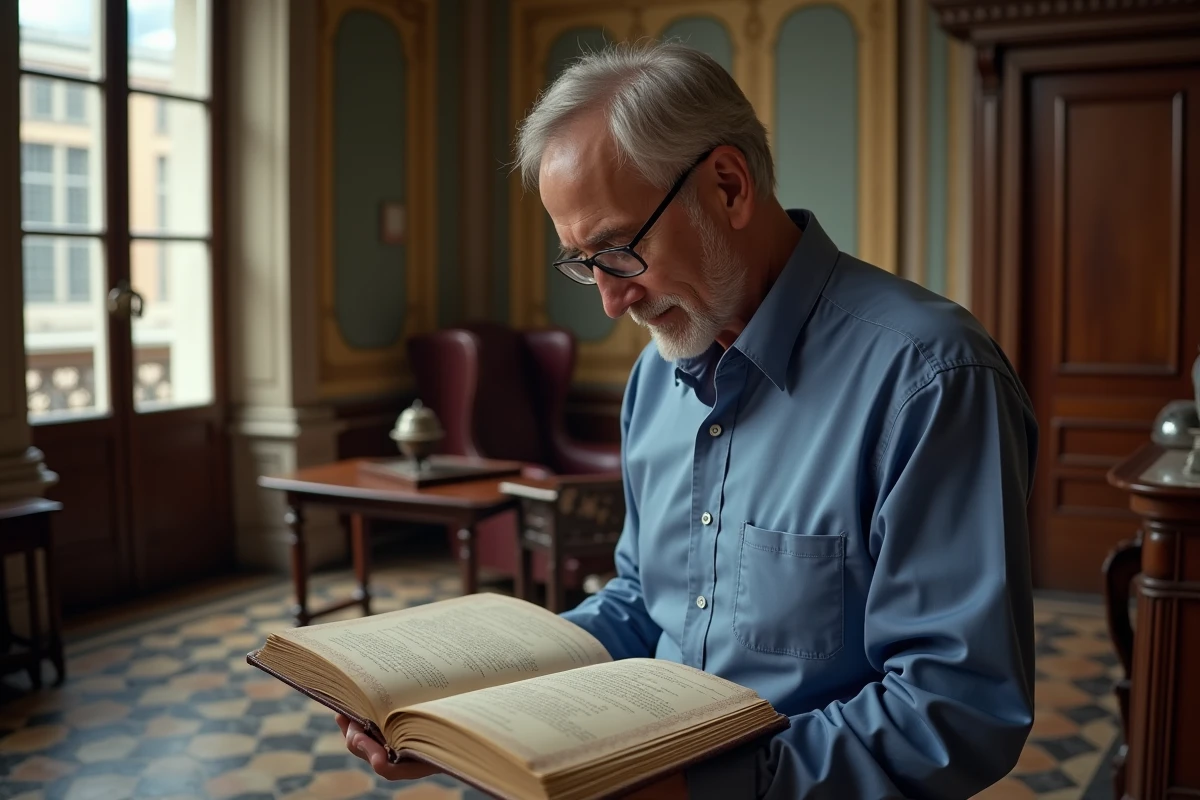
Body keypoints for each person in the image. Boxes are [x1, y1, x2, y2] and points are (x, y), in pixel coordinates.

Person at [340, 41, 1039, 799]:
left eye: (619, 250)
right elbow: (645, 602)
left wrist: (700, 787)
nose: (611, 302)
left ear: (729, 186)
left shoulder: (930, 379)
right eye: (582, 262)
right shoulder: (656, 377)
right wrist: (461, 713)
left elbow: (954, 709)